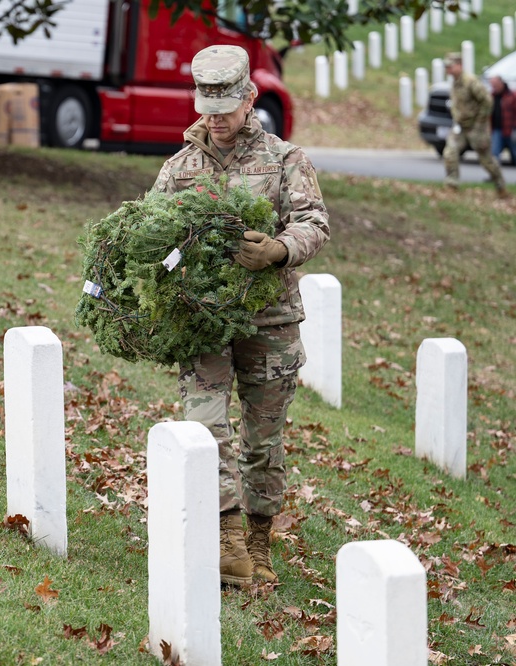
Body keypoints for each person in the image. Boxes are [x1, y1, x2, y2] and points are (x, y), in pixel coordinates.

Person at [151, 45, 330, 586]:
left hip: (270, 322)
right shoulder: (178, 169)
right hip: (203, 323)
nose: (217, 119)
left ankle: (259, 540)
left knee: (262, 439)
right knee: (206, 426)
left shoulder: (284, 159)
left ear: (250, 97)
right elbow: (149, 238)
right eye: (208, 106)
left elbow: (314, 222)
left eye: (227, 107)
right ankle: (227, 537)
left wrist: (279, 249)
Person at [442, 53, 508, 197]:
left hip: (476, 127)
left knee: (486, 160)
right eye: (447, 67)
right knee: (450, 152)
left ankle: (500, 186)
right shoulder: (455, 82)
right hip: (461, 126)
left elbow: (487, 101)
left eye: (451, 67)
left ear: (459, 65)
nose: (448, 70)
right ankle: (452, 185)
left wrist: (480, 122)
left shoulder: (470, 81)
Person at [489, 75, 516, 167]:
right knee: (495, 152)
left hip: (510, 128)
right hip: (497, 128)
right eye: (492, 85)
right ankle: (495, 175)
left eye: (495, 85)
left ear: (501, 83)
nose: (494, 88)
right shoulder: (492, 96)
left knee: (514, 151)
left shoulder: (512, 95)